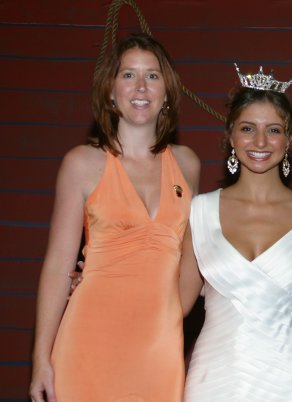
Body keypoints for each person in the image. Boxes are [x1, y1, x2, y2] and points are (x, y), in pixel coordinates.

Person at [29, 33, 200, 402]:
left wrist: (166, 316)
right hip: (89, 340)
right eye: (128, 75)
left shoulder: (187, 165)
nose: (141, 87)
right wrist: (40, 359)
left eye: (152, 76)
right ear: (110, 90)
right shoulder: (81, 164)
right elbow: (59, 266)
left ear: (167, 92)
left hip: (159, 347)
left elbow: (194, 261)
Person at [178, 65, 292, 402]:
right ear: (230, 136)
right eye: (248, 128)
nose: (260, 141)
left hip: (287, 380)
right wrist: (102, 281)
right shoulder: (200, 212)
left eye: (274, 130)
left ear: (289, 139)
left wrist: (274, 299)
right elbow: (175, 301)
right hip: (213, 380)